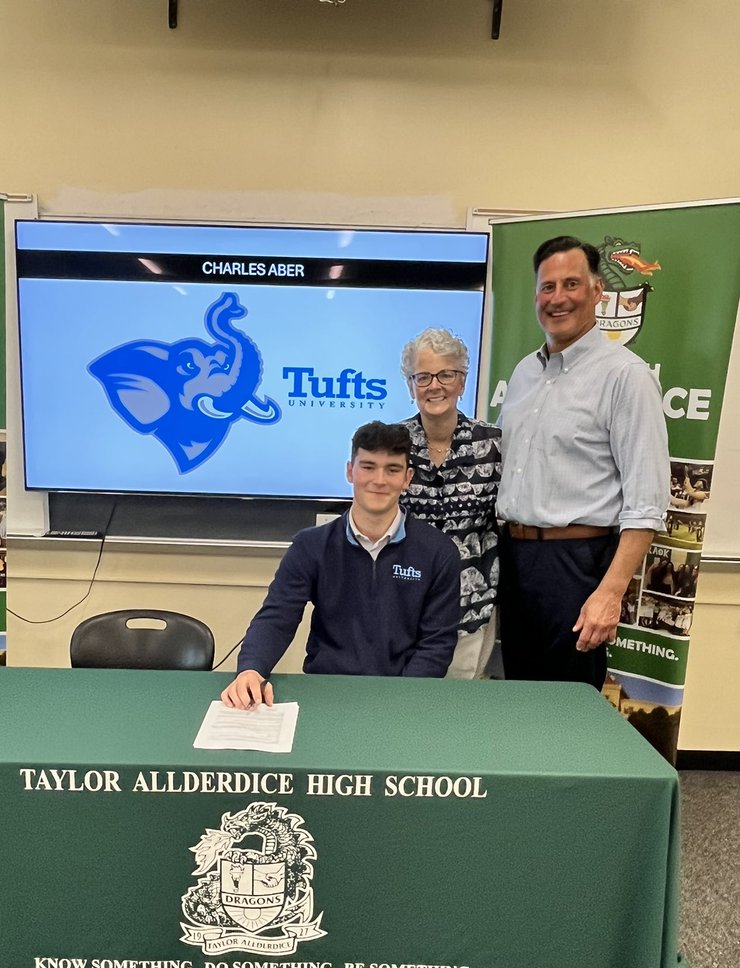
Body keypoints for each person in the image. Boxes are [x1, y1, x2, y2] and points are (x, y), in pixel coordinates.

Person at [496, 235, 669, 689]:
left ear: (597, 292)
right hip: (513, 560)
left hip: (575, 566)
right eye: (547, 287)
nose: (558, 298)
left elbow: (646, 502)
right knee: (516, 698)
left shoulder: (625, 376)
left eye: (571, 284)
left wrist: (610, 594)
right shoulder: (523, 373)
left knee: (569, 711)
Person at [221, 421, 461, 709]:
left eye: (392, 469)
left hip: (403, 698)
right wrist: (251, 669)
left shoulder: (438, 552)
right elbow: (277, 617)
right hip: (325, 693)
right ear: (350, 471)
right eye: (368, 466)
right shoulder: (311, 546)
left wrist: (401, 699)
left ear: (407, 477)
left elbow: (437, 644)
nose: (379, 480)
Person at [399, 328, 501, 680]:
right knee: (402, 708)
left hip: (470, 607)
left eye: (446, 374)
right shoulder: (392, 444)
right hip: (404, 604)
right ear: (411, 385)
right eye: (423, 376)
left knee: (458, 712)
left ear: (461, 382)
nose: (434, 385)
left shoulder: (494, 445)